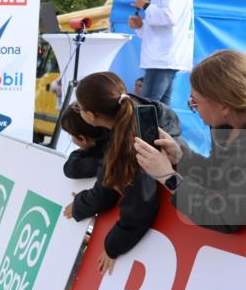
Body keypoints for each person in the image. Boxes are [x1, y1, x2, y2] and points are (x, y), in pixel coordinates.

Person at [135, 49, 246, 233]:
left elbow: (225, 216)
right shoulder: (225, 124)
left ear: (223, 105)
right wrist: (180, 157)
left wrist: (167, 177)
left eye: (195, 102)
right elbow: (221, 175)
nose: (193, 107)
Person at [62, 72, 161, 274]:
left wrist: (113, 246)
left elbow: (136, 204)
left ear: (90, 116)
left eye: (80, 108)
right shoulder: (134, 115)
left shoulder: (128, 148)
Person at [127, 0, 194, 106]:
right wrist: (140, 26)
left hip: (163, 57)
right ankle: (163, 130)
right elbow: (159, 27)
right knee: (160, 106)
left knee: (148, 105)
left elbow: (169, 17)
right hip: (160, 57)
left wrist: (145, 5)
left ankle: (147, 132)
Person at [59, 102, 109, 179]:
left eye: (71, 135)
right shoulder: (109, 136)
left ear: (82, 138)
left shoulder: (106, 155)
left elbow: (72, 168)